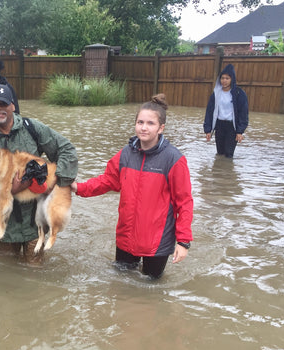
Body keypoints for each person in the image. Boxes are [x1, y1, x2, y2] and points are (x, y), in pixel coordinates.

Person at [71, 94, 193, 279]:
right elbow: (107, 181)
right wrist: (78, 188)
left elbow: (184, 203)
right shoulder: (126, 154)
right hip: (126, 238)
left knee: (150, 290)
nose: (143, 127)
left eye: (150, 123)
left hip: (157, 244)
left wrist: (183, 242)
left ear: (161, 128)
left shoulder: (174, 159)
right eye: (140, 122)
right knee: (121, 284)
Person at [0, 85, 78, 264]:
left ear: (12, 105)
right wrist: (11, 190)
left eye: (3, 104)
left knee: (35, 274)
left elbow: (67, 150)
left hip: (34, 225)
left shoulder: (32, 128)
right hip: (4, 229)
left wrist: (54, 181)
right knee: (6, 278)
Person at [204, 64, 249, 158]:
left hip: (232, 127)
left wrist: (240, 131)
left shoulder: (239, 93)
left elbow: (243, 114)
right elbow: (209, 112)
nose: (224, 81)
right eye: (222, 78)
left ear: (232, 79)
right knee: (220, 153)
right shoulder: (216, 94)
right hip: (219, 126)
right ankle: (219, 171)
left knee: (229, 154)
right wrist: (208, 130)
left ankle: (228, 171)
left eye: (227, 78)